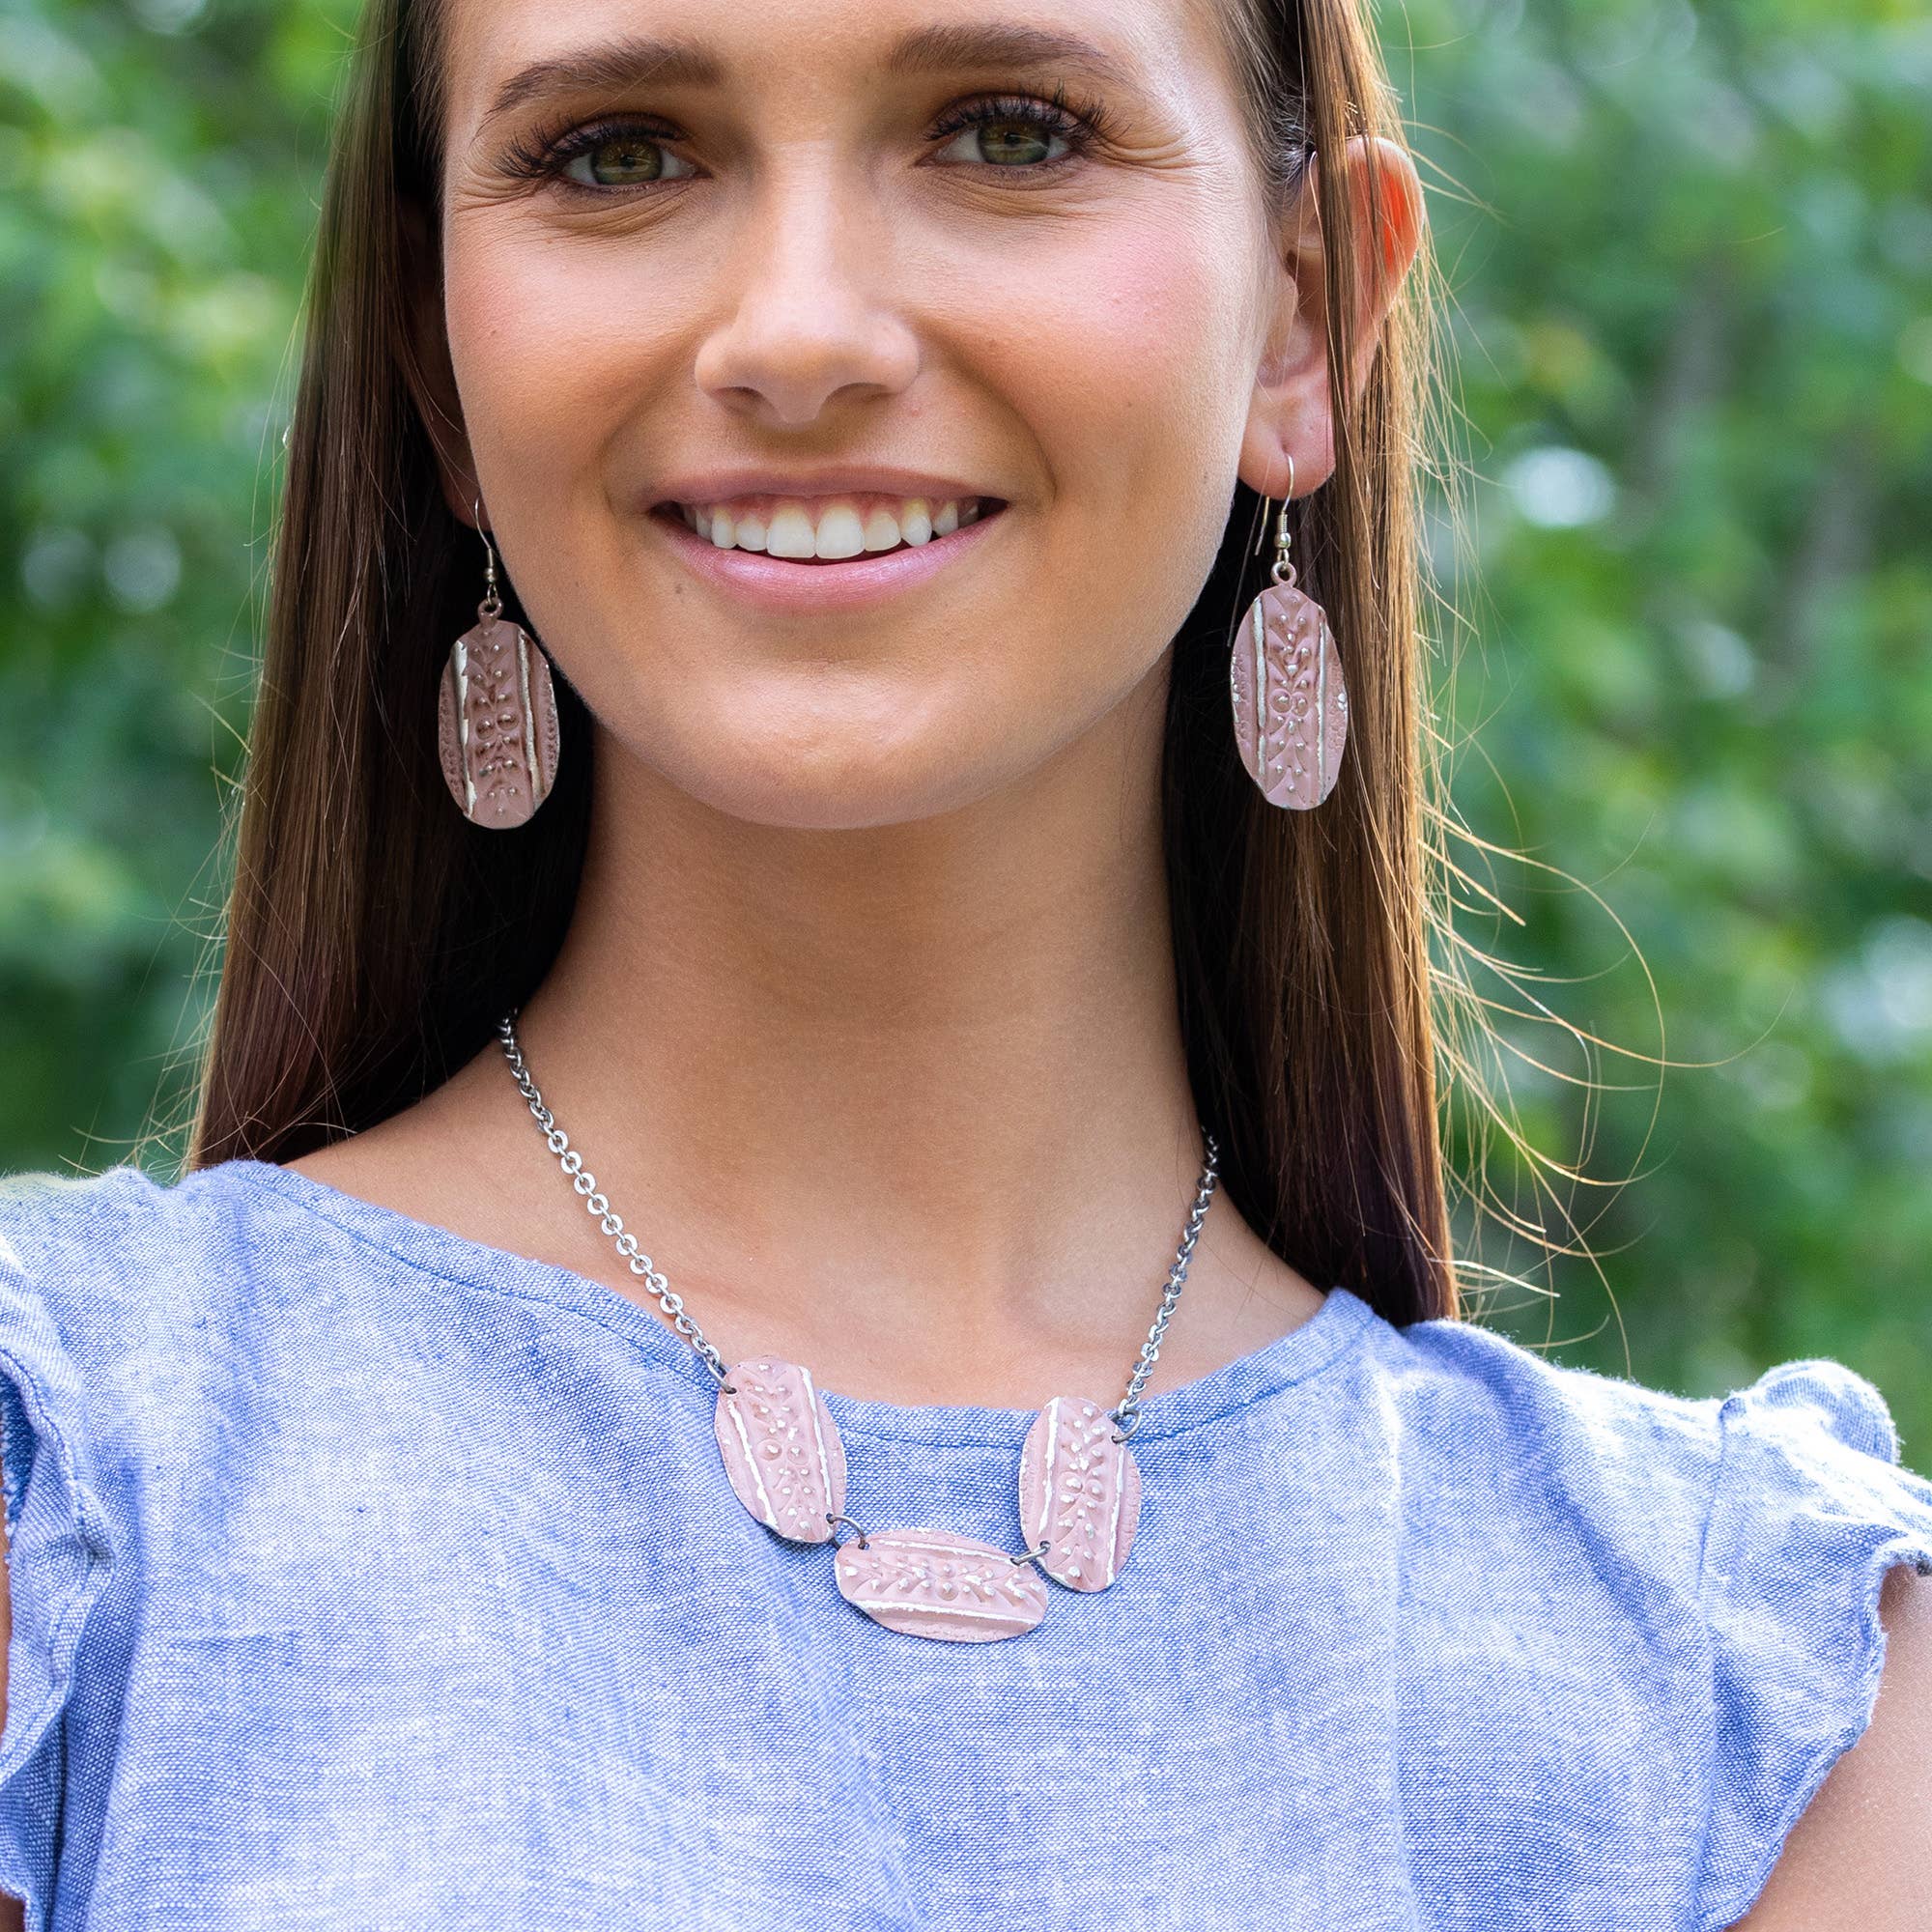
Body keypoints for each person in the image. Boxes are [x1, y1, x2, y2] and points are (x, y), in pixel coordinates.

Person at [3, 0, 1930, 1924]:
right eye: (620, 154)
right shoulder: (71, 1502)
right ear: (438, 359)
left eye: (1008, 132)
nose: (799, 334)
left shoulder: (1764, 1729)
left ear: (1300, 315)